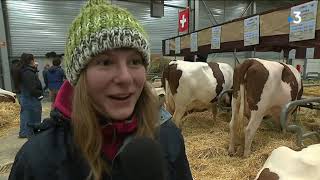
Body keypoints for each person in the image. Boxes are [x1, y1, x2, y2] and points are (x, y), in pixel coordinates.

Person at [9, 0, 193, 180]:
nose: (125, 78)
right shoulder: (36, 162)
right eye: (105, 62)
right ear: (78, 76)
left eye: (135, 62)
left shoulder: (168, 136)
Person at [15, 53, 43, 138]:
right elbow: (32, 88)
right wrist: (39, 94)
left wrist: (34, 68)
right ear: (31, 61)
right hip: (31, 100)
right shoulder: (28, 73)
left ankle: (25, 134)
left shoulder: (23, 70)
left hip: (27, 99)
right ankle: (33, 141)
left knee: (27, 119)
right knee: (34, 123)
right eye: (33, 59)